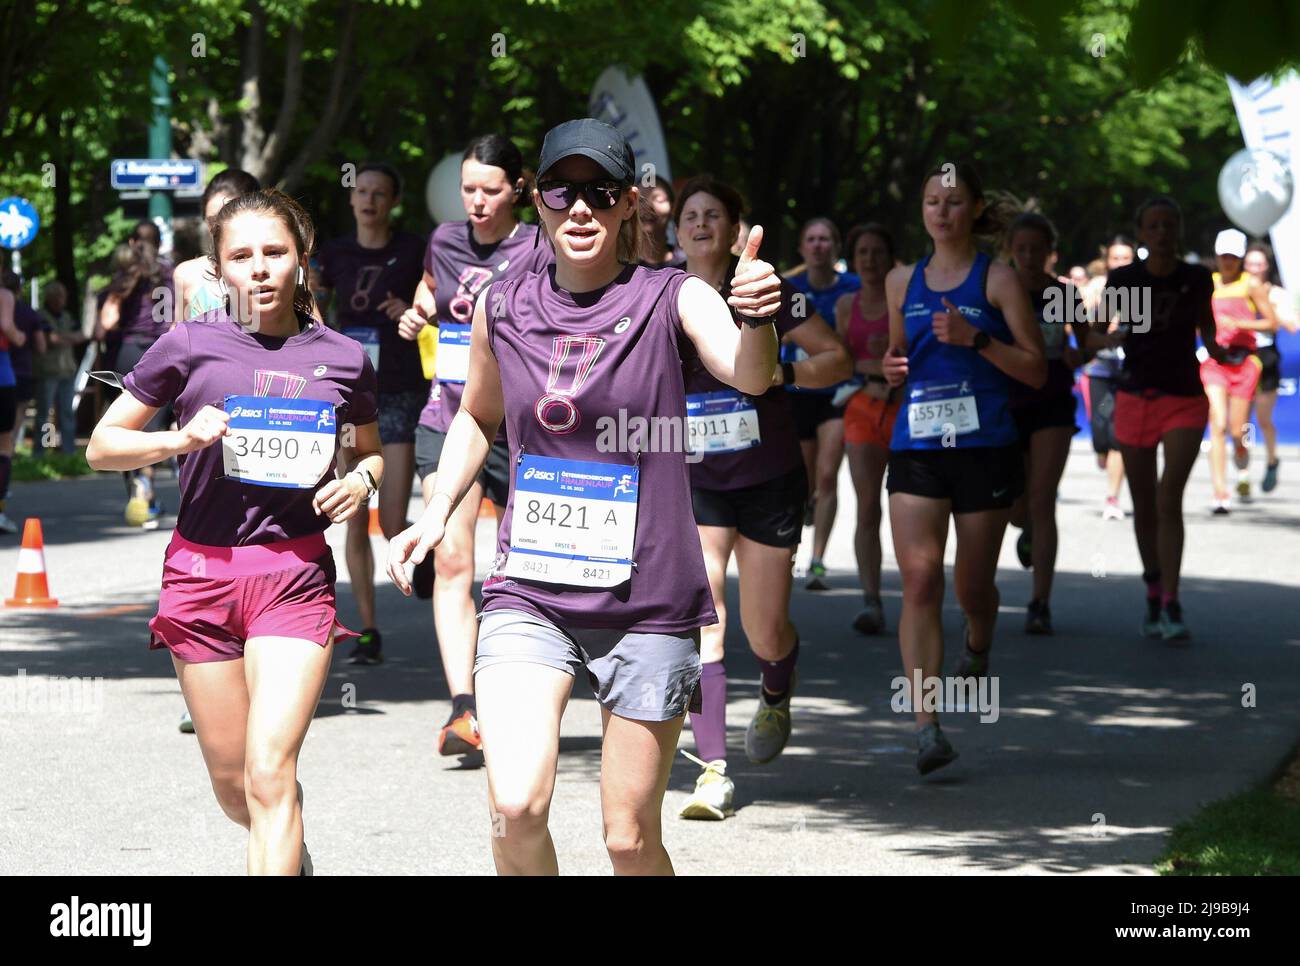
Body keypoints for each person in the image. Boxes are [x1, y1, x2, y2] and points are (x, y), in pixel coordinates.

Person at [387, 118, 781, 873]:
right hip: (531, 592)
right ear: (537, 199)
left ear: (627, 203)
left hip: (647, 601)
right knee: (513, 808)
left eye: (600, 192)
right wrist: (432, 516)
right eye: (563, 190)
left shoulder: (675, 295)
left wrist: (758, 315)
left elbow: (751, 372)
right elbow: (477, 412)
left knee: (629, 840)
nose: (580, 209)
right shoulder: (501, 305)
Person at [86, 188, 382, 875]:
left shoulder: (340, 357)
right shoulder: (187, 343)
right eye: (242, 256)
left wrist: (362, 481)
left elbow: (369, 448)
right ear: (219, 272)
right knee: (234, 787)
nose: (260, 268)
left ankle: (278, 833)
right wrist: (179, 440)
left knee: (270, 772)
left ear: (301, 261)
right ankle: (289, 851)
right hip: (198, 577)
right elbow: (102, 446)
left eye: (275, 252)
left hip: (293, 578)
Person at [673, 175, 851, 819]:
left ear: (733, 224)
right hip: (696, 479)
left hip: (769, 477)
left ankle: (777, 686)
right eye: (689, 214)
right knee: (707, 616)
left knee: (764, 628)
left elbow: (838, 357)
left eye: (712, 214)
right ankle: (711, 770)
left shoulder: (770, 292)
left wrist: (784, 373)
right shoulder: (664, 293)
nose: (698, 224)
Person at [882, 161, 1045, 774]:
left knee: (971, 586)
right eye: (930, 202)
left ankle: (978, 640)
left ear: (975, 209)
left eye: (952, 202)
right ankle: (927, 725)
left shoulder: (997, 279)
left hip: (985, 448)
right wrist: (891, 369)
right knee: (921, 581)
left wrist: (978, 340)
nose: (941, 212)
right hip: (919, 446)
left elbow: (1035, 369)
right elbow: (897, 358)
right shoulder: (903, 280)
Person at [398, 133, 551, 756]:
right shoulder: (445, 239)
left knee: (526, 563)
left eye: (491, 190)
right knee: (455, 558)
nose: (478, 202)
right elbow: (429, 295)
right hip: (450, 416)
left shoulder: (540, 244)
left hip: (521, 426)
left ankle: (530, 686)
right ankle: (464, 708)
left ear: (518, 188)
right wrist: (417, 316)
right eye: (468, 190)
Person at [1098, 197, 1227, 640]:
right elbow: (1101, 328)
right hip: (1135, 395)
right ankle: (1153, 588)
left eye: (1169, 225)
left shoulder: (1195, 279)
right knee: (1144, 503)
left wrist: (1225, 353)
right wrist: (1091, 335)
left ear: (1179, 230)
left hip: (1184, 397)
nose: (1162, 232)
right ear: (1142, 233)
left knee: (1168, 495)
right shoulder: (1124, 279)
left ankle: (1172, 602)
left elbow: (1207, 332)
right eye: (1153, 225)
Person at [316, 162, 427, 664]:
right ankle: (367, 629)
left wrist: (412, 309)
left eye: (380, 193)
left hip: (401, 389)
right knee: (356, 515)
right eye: (362, 191)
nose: (369, 200)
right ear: (351, 197)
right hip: (349, 393)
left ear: (394, 201)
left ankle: (420, 555)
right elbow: (310, 305)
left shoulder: (413, 248)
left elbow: (437, 304)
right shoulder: (334, 252)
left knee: (394, 517)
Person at [1004, 213, 1084, 635]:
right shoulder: (1002, 289)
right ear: (1011, 251)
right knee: (1016, 507)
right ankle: (1027, 527)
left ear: (1049, 252)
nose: (1030, 257)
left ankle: (1040, 602)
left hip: (1052, 401)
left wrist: (1078, 355)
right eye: (1022, 249)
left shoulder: (1060, 294)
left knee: (1042, 497)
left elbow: (1086, 343)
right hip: (1008, 402)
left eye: (1038, 249)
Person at [785, 217, 860, 589]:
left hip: (837, 394)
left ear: (835, 247)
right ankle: (791, 552)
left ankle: (817, 561)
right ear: (802, 248)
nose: (818, 245)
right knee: (805, 481)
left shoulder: (853, 288)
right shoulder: (788, 289)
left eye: (825, 239)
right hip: (796, 393)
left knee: (828, 475)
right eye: (811, 239)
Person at [836, 223, 901, 634]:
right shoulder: (846, 305)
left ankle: (918, 592)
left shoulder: (905, 297)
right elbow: (840, 361)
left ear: (891, 257)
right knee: (868, 507)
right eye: (863, 252)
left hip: (904, 408)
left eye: (878, 251)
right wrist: (870, 366)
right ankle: (871, 600)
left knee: (908, 508)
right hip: (861, 406)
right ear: (854, 259)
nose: (871, 260)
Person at [98, 238, 175, 528]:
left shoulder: (124, 279)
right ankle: (147, 496)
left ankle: (139, 493)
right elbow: (176, 320)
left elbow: (107, 321)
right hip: (160, 352)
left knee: (126, 425)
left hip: (126, 353)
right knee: (154, 423)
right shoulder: (170, 276)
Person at [1203, 228, 1276, 513]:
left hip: (1244, 362)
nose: (1228, 261)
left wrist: (1241, 325)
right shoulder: (1207, 284)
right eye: (1224, 256)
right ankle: (1220, 491)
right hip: (1215, 362)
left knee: (1237, 430)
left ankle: (1242, 456)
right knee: (1217, 425)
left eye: (1233, 256)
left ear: (1241, 257)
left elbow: (1271, 323)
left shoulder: (1251, 285)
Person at [1080, 238, 1135, 520]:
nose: (1121, 264)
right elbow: (1082, 328)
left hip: (1128, 373)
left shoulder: (1142, 289)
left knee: (1117, 436)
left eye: (1126, 259)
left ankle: (1112, 497)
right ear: (1107, 261)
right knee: (1101, 434)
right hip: (1099, 370)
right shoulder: (1094, 288)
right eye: (1116, 259)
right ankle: (1102, 452)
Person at [1244, 242, 1299, 491]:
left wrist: (1270, 311)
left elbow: (1291, 325)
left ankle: (1271, 459)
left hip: (1266, 359)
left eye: (1259, 264)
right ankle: (1242, 469)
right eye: (1250, 264)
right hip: (1241, 357)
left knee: (1263, 418)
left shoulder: (1276, 293)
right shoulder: (1236, 290)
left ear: (1267, 266)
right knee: (1240, 420)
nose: (1254, 269)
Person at [174, 169, 262, 321]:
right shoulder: (187, 274)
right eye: (212, 221)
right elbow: (177, 336)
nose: (220, 228)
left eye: (229, 217)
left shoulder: (276, 270)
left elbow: (313, 335)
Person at [33, 280, 85, 457]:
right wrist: (67, 338)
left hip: (67, 371)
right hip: (47, 372)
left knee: (67, 413)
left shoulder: (67, 316)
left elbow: (81, 336)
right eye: (60, 296)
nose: (63, 299)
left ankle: (68, 452)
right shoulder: (40, 316)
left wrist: (61, 338)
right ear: (52, 298)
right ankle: (38, 454)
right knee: (43, 413)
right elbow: (50, 339)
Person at [0, 281, 29, 535]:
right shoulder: (4, 295)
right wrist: (20, 337)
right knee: (4, 442)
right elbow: (7, 326)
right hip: (1, 373)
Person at [640, 174, 684, 268]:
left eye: (658, 199)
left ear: (672, 208)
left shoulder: (687, 262)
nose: (648, 206)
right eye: (641, 200)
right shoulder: (619, 267)